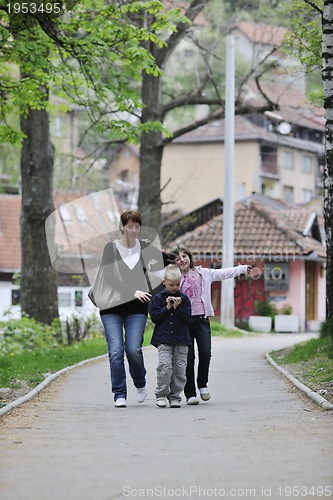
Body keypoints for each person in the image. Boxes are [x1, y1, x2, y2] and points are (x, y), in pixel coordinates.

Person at [96, 210, 165, 408]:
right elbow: (109, 277)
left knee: (133, 349)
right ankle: (119, 393)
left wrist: (183, 266)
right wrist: (133, 291)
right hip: (111, 307)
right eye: (130, 226)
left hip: (137, 308)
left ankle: (140, 383)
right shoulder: (110, 248)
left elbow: (164, 260)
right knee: (116, 351)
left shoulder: (145, 247)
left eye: (137, 226)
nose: (133, 230)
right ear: (122, 228)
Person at [170, 245, 252, 405]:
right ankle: (190, 393)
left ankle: (202, 384)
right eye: (178, 259)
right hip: (183, 323)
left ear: (189, 257)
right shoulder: (174, 277)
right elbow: (155, 271)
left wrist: (241, 268)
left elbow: (223, 273)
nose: (182, 260)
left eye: (184, 256)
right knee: (188, 358)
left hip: (201, 321)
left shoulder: (203, 273)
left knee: (206, 353)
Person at [150, 264, 192, 408]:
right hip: (163, 339)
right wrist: (167, 308)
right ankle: (161, 394)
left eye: (177, 285)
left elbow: (187, 319)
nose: (175, 288)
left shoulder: (184, 299)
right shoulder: (158, 298)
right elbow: (154, 317)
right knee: (165, 366)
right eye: (171, 285)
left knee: (180, 370)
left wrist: (178, 308)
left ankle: (175, 396)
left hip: (181, 340)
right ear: (164, 282)